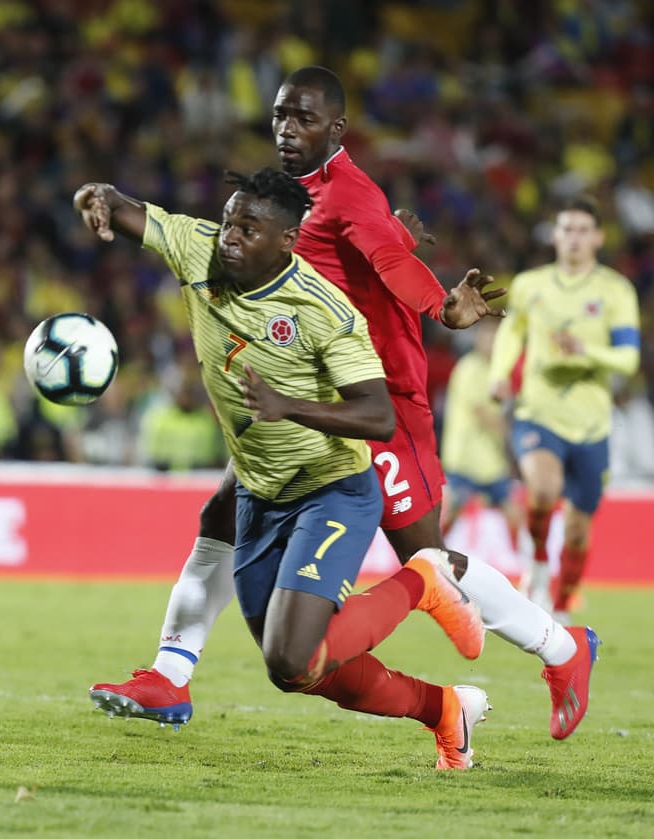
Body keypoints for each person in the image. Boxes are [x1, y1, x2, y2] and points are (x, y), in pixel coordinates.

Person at [80, 65, 598, 742]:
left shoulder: (347, 191)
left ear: (337, 128)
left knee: (430, 559)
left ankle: (561, 647)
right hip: (308, 392)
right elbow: (356, 251)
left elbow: (386, 262)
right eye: (280, 116)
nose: (287, 130)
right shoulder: (293, 198)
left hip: (379, 400)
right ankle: (170, 672)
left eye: (303, 119)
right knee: (220, 518)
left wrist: (439, 304)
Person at [93, 168, 490, 769]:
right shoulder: (199, 247)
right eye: (229, 221)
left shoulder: (323, 309)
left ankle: (424, 582)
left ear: (287, 241)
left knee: (290, 653)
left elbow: (378, 416)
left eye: (249, 229)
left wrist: (288, 407)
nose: (230, 236)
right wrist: (96, 199)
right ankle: (444, 709)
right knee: (298, 671)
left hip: (331, 489)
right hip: (260, 490)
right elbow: (125, 207)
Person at [489, 196, 640, 622]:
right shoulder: (530, 285)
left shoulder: (615, 290)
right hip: (538, 411)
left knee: (577, 530)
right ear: (555, 236)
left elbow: (628, 359)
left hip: (591, 425)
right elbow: (511, 333)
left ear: (598, 238)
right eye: (567, 229)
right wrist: (500, 373)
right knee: (542, 490)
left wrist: (585, 351)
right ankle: (536, 563)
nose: (574, 237)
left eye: (582, 230)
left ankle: (564, 601)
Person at [439, 320, 524, 545]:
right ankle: (430, 554)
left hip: (491, 461)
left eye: (496, 338)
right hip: (465, 458)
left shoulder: (498, 371)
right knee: (450, 513)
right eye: (487, 336)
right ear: (478, 339)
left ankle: (525, 559)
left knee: (513, 512)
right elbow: (483, 414)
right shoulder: (469, 368)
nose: (491, 342)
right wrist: (515, 446)